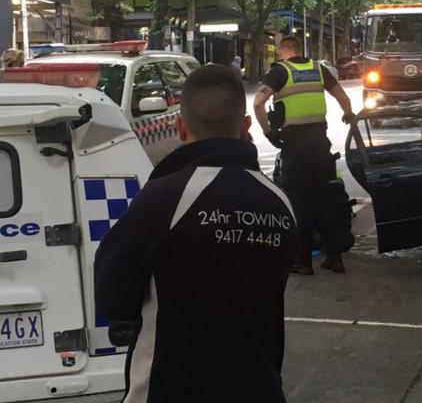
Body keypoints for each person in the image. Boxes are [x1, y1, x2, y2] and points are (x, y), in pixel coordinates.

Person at [95, 65, 297, 403]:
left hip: (169, 389)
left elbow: (112, 295)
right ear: (246, 126)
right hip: (259, 388)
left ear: (180, 127)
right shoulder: (280, 204)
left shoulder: (162, 198)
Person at [253, 36, 354, 275]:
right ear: (301, 49)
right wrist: (348, 114)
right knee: (326, 200)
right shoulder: (318, 69)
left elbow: (258, 103)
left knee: (300, 204)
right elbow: (343, 96)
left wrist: (269, 133)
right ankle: (335, 257)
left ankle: (302, 261)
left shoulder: (280, 72)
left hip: (295, 148)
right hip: (320, 145)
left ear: (283, 51)